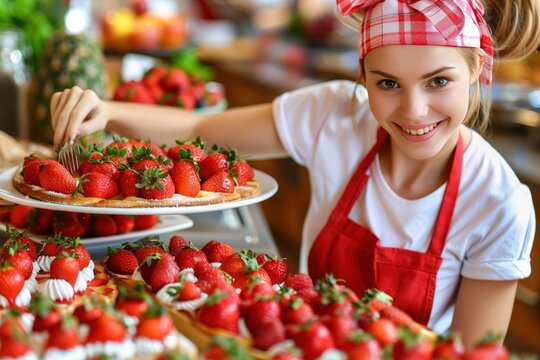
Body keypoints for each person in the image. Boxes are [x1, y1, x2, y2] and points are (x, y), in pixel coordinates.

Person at [50, 0, 540, 348]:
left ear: (476, 68)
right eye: (388, 83)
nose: (414, 110)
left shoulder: (498, 203)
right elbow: (199, 126)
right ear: (362, 77)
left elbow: (476, 351)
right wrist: (103, 108)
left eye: (439, 81)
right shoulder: (335, 116)